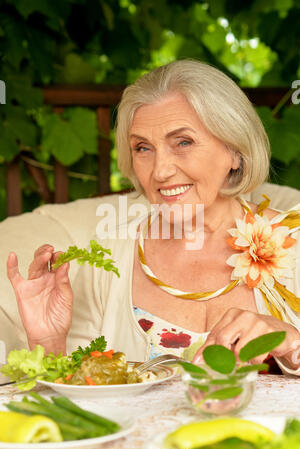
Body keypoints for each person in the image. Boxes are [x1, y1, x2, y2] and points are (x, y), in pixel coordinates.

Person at [6, 59, 300, 375]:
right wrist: (49, 342)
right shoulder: (108, 259)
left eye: (183, 142)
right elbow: (81, 403)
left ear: (235, 151)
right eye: (143, 148)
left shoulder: (293, 242)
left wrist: (293, 343)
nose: (160, 171)